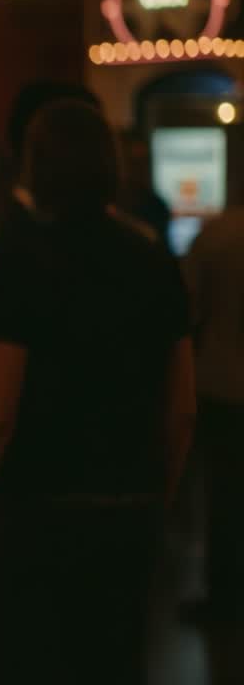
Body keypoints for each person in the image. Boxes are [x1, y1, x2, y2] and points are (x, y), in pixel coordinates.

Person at [0, 102, 196, 685]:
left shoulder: (23, 257)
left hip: (40, 513)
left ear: (34, 167)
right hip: (127, 507)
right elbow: (181, 405)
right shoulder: (152, 255)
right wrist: (156, 494)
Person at [183, 196, 244, 625]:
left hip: (224, 381)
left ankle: (223, 597)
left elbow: (188, 310)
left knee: (224, 495)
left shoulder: (215, 237)